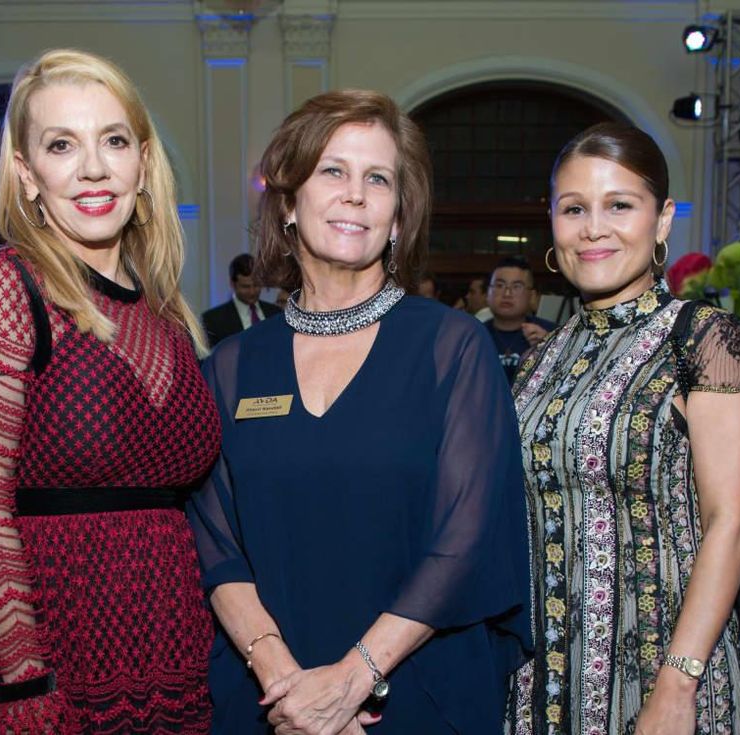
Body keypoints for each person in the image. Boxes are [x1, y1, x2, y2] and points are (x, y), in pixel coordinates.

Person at [190, 89, 531, 734]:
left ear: (399, 216)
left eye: (378, 179)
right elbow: (216, 543)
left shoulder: (451, 347)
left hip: (415, 692)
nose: (355, 194)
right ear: (290, 202)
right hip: (268, 700)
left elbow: (466, 540)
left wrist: (350, 682)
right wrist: (288, 685)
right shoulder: (232, 366)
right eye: (333, 171)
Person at [0, 49, 220, 732]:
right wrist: (22, 682)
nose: (93, 168)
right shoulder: (4, 284)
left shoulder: (167, 312)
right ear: (28, 175)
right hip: (50, 653)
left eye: (113, 141)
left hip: (170, 641)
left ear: (142, 163)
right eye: (62, 145)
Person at [506, 122, 740, 734]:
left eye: (619, 205)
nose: (594, 228)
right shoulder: (540, 359)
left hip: (664, 670)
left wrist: (677, 684)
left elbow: (732, 522)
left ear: (663, 219)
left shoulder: (703, 338)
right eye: (574, 209)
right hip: (544, 678)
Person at [483, 255, 555, 383]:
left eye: (516, 286)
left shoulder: (553, 334)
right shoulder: (474, 335)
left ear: (532, 295)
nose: (507, 294)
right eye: (500, 285)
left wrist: (552, 351)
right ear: (488, 292)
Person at [202, 253, 281, 347]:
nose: (252, 292)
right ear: (232, 284)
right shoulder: (213, 320)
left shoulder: (276, 313)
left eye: (256, 285)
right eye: (245, 287)